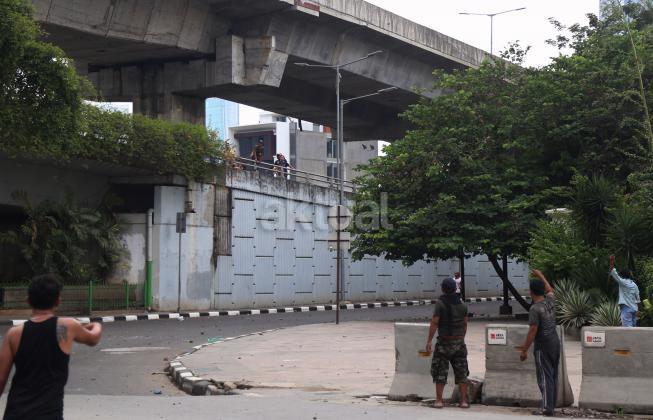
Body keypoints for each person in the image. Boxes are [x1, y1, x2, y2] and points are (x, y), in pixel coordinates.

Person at [0, 274, 102, 420]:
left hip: (16, 413)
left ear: (28, 300)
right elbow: (93, 338)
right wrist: (96, 324)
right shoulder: (66, 326)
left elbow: (1, 379)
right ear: (58, 300)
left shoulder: (14, 334)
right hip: (49, 414)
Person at [519, 269, 559, 417]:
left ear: (531, 292)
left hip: (543, 346)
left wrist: (524, 350)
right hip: (555, 343)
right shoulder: (550, 301)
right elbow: (550, 289)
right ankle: (550, 405)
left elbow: (533, 330)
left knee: (544, 377)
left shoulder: (535, 309)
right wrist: (541, 275)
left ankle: (547, 408)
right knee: (552, 375)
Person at [425, 277, 470, 409]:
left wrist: (429, 340)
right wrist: (461, 338)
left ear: (443, 289)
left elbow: (435, 322)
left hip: (444, 343)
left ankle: (439, 401)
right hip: (459, 342)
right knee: (462, 372)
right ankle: (463, 401)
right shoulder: (463, 305)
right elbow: (465, 324)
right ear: (455, 289)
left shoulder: (440, 304)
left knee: (440, 371)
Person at [609, 255, 641, 327]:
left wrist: (611, 263)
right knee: (634, 329)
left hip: (626, 309)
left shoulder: (622, 282)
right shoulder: (634, 285)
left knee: (628, 331)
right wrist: (638, 310)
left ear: (622, 275)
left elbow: (613, 272)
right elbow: (638, 299)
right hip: (634, 309)